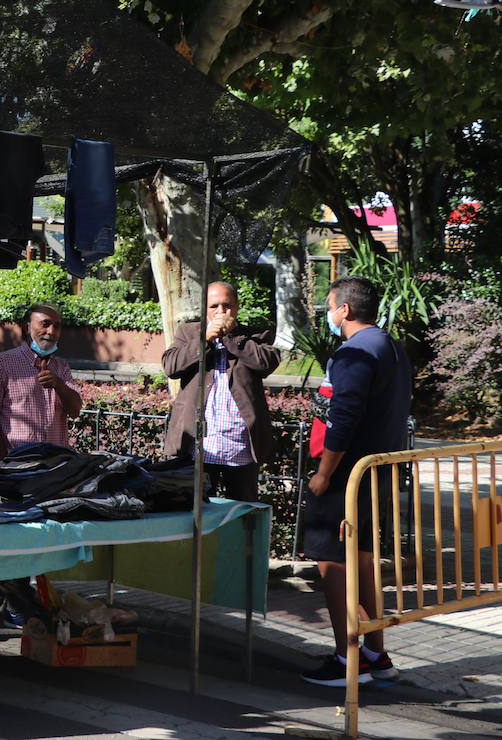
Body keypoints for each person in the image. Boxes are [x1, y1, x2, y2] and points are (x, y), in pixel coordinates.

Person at [300, 276, 410, 687]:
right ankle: (374, 654)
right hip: (377, 469)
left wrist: (324, 473)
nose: (328, 313)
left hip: (347, 474)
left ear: (344, 310)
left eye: (330, 305)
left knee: (332, 561)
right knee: (362, 559)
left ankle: (348, 659)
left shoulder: (353, 353)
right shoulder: (391, 346)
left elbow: (342, 419)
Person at [0, 303, 83, 641]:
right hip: (12, 470)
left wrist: (58, 386)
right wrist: (4, 460)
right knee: (4, 541)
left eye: (57, 326)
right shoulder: (4, 364)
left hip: (51, 472)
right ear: (27, 328)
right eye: (45, 324)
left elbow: (75, 410)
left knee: (33, 541)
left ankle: (17, 605)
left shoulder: (62, 367)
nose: (51, 332)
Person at [162, 280, 281, 502]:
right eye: (214, 306)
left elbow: (266, 363)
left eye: (226, 306)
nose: (221, 312)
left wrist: (232, 336)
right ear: (204, 308)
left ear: (236, 307)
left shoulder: (256, 335)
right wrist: (204, 340)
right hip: (199, 445)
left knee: (242, 514)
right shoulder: (188, 332)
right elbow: (171, 367)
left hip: (240, 446)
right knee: (195, 513)